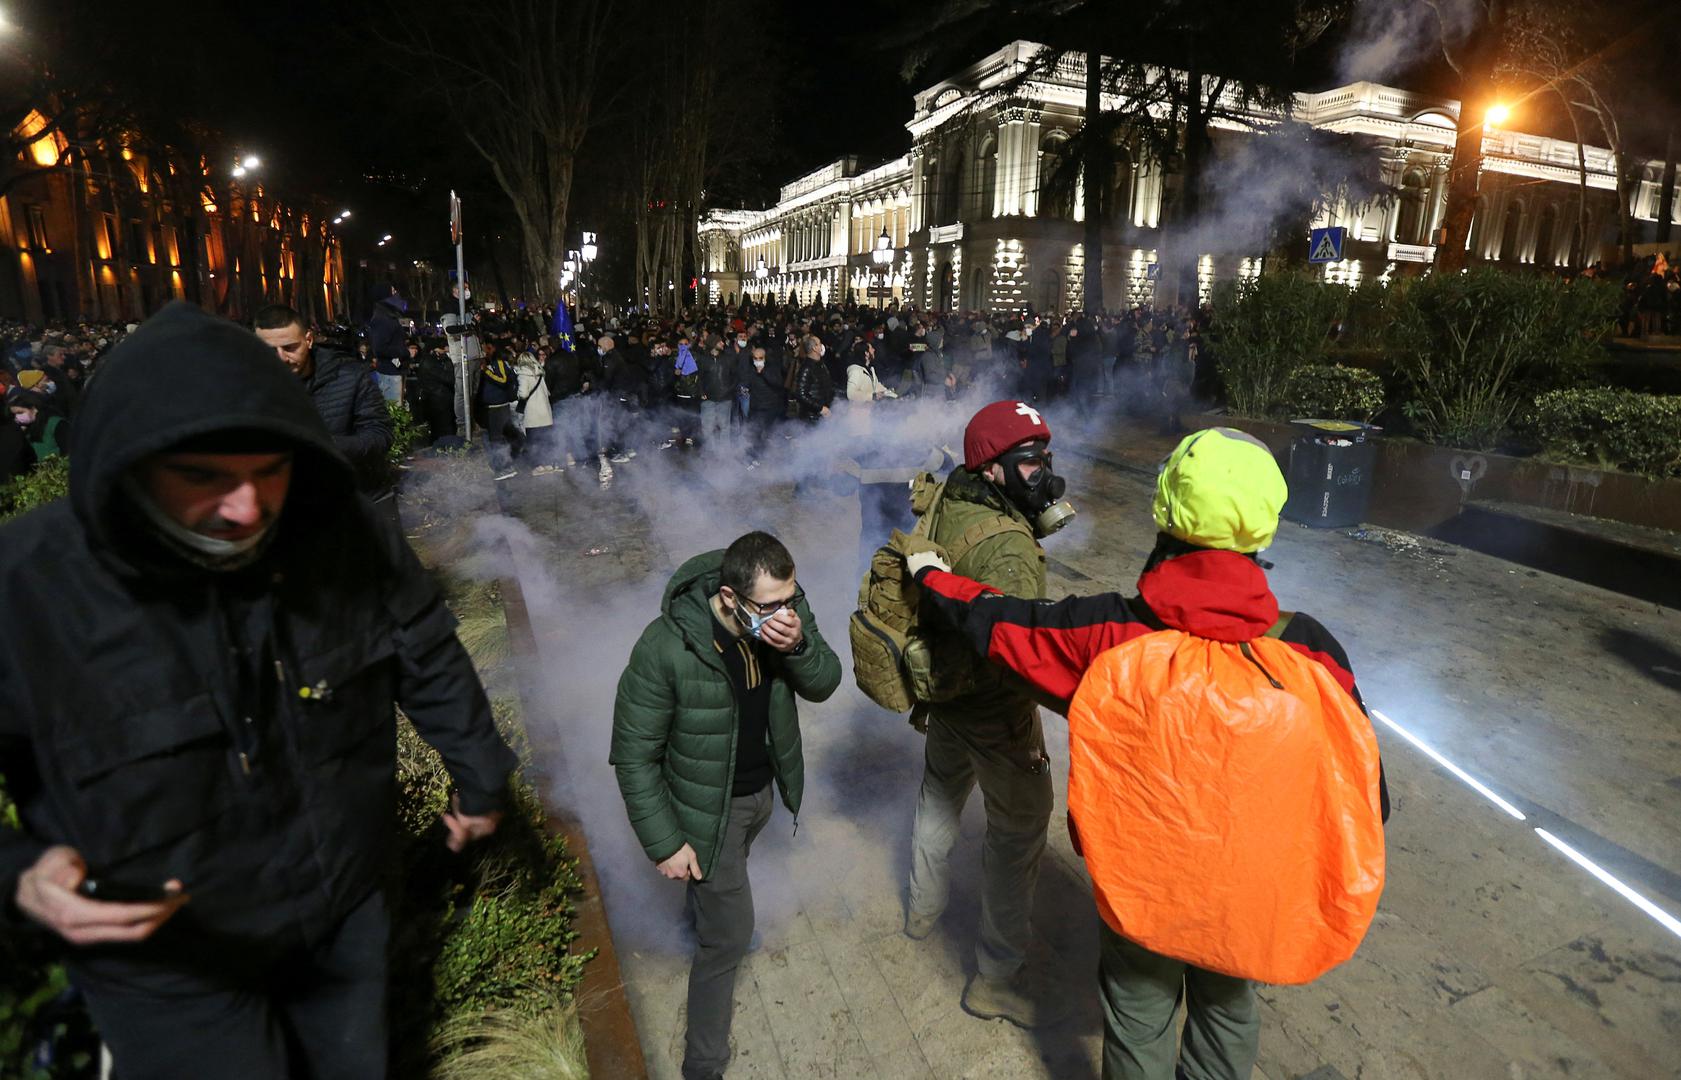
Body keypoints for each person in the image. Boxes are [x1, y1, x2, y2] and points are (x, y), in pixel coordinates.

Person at [0, 301, 516, 1080]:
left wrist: (480, 776)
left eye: (266, 472)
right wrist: (21, 877)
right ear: (126, 465)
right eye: (202, 478)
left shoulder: (339, 531)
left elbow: (424, 649)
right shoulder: (25, 586)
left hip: (343, 904)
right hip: (167, 958)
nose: (245, 508)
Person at [905, 427, 1389, 1080]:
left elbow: (1003, 624)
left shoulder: (1110, 634)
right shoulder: (1310, 650)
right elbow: (1365, 797)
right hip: (1250, 892)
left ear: (1165, 511)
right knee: (1228, 1007)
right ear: (1263, 527)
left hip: (1143, 891)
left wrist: (933, 577)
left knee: (1138, 1009)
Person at [611, 532, 841, 1080]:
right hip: (707, 812)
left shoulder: (784, 611)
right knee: (729, 940)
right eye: (773, 606)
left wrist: (797, 646)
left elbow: (826, 683)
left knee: (718, 896)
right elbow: (633, 754)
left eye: (792, 598)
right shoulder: (666, 646)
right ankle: (704, 1064)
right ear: (731, 596)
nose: (786, 612)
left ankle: (706, 912)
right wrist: (666, 843)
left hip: (762, 794)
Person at [904, 399, 1073, 1029]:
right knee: (1019, 829)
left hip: (944, 691)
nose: (1044, 475)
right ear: (995, 470)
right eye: (1029, 462)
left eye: (1045, 459)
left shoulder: (953, 491)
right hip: (996, 709)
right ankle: (996, 978)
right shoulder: (1007, 548)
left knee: (939, 793)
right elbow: (1023, 650)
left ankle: (921, 912)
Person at [253, 305, 393, 503]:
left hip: (350, 499)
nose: (281, 358)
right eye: (270, 350)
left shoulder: (350, 377)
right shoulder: (248, 385)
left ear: (308, 340)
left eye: (290, 348)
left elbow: (380, 436)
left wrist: (327, 445)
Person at [477, 341, 522, 481]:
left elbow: (502, 380)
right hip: (495, 408)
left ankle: (505, 468)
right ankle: (505, 466)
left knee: (497, 439)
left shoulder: (499, 363)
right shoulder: (497, 364)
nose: (485, 351)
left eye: (487, 348)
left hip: (498, 407)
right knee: (498, 438)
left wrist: (486, 371)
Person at [366, 289, 409, 403]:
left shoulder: (388, 316)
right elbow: (379, 348)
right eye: (393, 291)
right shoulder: (382, 318)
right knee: (394, 410)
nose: (397, 294)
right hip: (389, 373)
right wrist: (405, 352)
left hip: (394, 371)